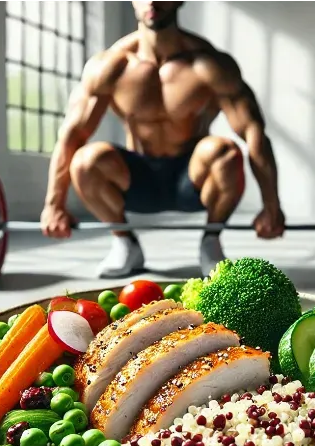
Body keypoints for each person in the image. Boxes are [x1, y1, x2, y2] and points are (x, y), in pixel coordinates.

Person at [40, 0, 286, 278]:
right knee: (85, 162)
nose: (153, 0)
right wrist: (53, 205)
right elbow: (72, 135)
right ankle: (125, 243)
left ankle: (211, 242)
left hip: (192, 181)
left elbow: (253, 131)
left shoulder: (209, 64)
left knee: (225, 151)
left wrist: (271, 206)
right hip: (136, 181)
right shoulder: (111, 66)